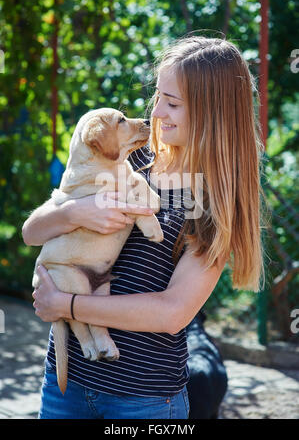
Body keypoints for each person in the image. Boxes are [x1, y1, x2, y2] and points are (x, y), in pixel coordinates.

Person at [23, 35, 266, 419]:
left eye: (172, 103)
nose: (156, 113)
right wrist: (74, 214)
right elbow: (32, 233)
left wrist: (66, 305)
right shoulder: (132, 158)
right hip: (66, 385)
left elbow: (171, 313)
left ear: (211, 112)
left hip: (143, 402)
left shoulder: (216, 203)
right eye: (158, 96)